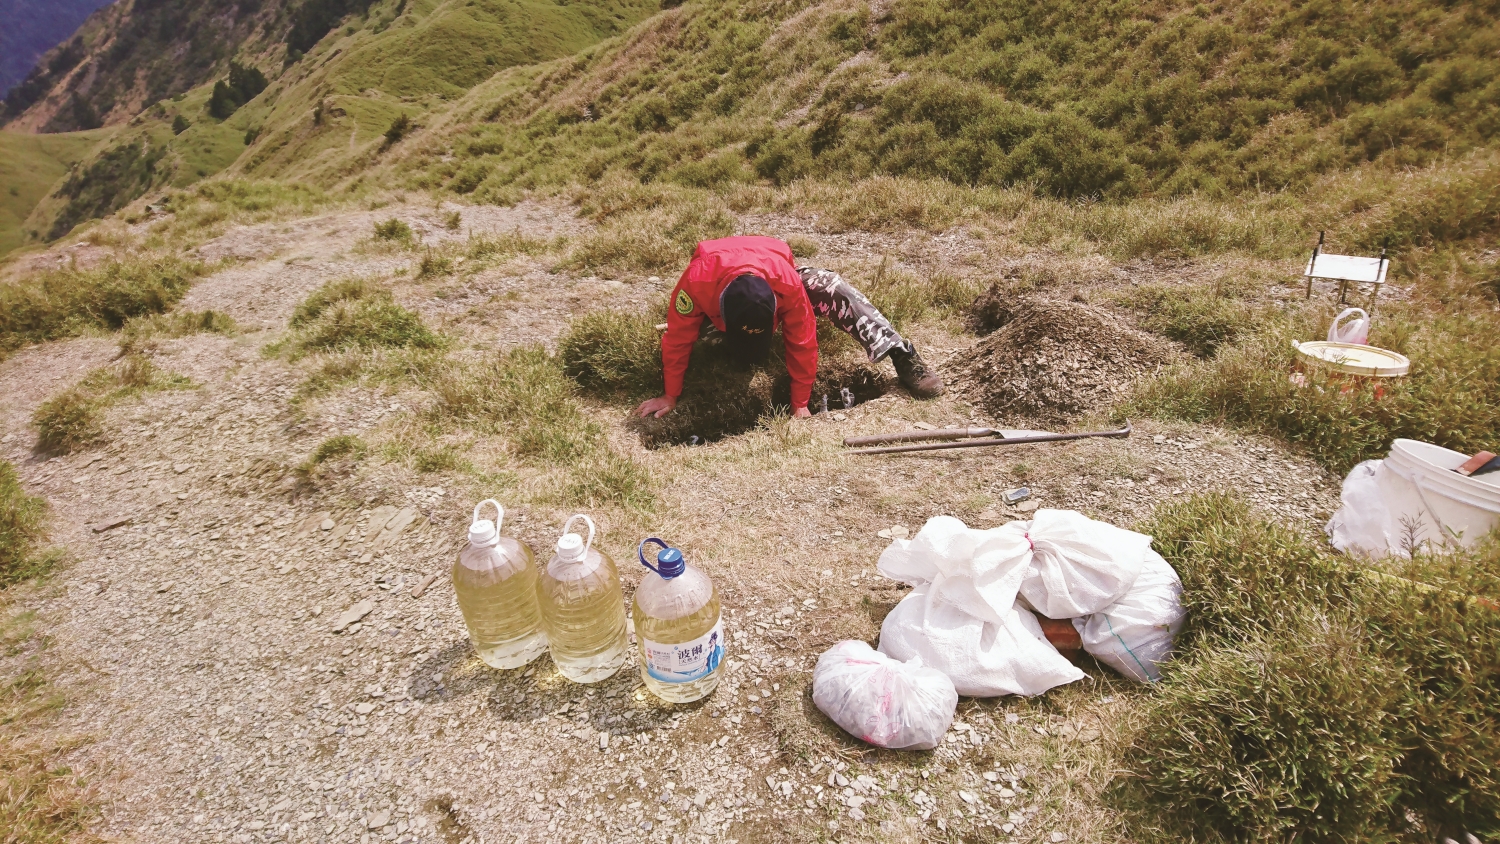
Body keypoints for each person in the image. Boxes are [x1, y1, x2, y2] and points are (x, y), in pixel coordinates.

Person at [634, 236, 944, 419]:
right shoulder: (695, 284)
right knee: (688, 330)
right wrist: (670, 396)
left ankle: (901, 354)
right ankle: (724, 336)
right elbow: (676, 339)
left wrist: (799, 405)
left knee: (831, 287)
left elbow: (803, 341)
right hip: (719, 282)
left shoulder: (788, 284)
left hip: (772, 274)